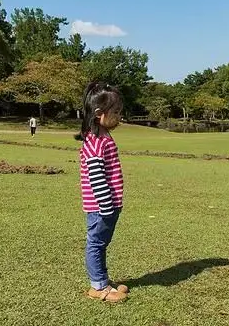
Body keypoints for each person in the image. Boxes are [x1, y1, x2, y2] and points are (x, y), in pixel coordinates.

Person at [75, 81, 128, 303]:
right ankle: (98, 287)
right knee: (96, 243)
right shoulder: (95, 141)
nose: (119, 117)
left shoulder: (103, 136)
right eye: (115, 112)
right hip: (101, 206)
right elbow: (96, 177)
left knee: (101, 243)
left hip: (109, 205)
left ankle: (103, 280)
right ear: (99, 114)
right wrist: (107, 205)